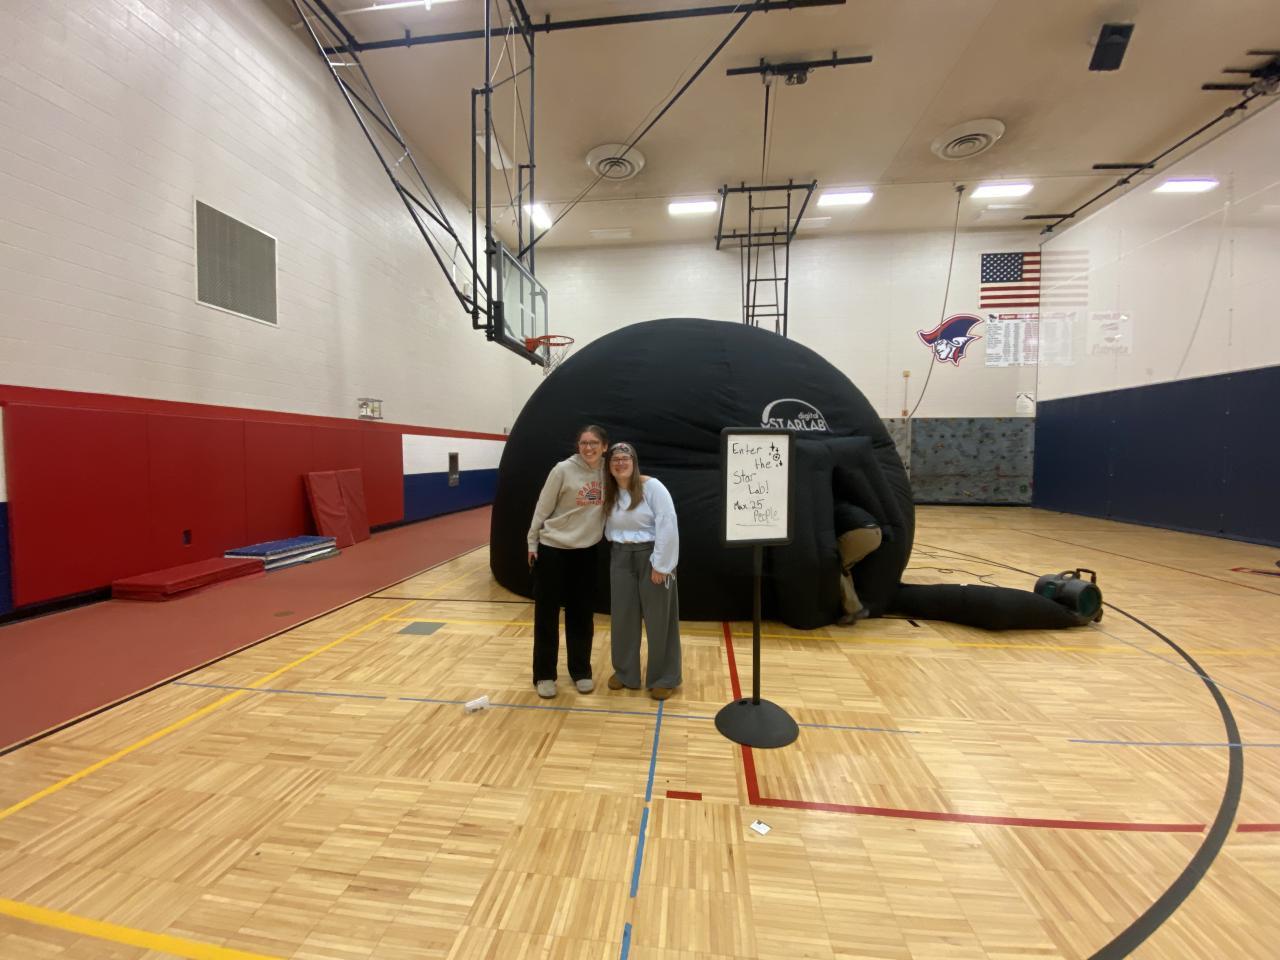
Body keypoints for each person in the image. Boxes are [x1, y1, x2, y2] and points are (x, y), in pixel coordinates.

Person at [527, 425, 608, 698]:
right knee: (546, 615)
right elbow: (542, 508)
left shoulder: (608, 471)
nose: (588, 447)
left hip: (587, 552)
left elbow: (631, 479)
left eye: (594, 443)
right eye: (584, 443)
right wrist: (532, 542)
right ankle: (544, 675)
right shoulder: (562, 470)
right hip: (553, 549)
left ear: (604, 446)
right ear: (578, 446)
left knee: (582, 615)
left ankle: (581, 671)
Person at [602, 442, 681, 700]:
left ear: (634, 462)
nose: (620, 463)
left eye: (625, 458)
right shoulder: (609, 491)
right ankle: (625, 672)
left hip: (651, 556)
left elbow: (667, 523)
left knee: (659, 619)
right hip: (620, 556)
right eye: (615, 459)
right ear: (609, 466)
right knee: (623, 617)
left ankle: (664, 677)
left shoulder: (653, 487)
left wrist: (662, 565)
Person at [834, 501, 882, 624]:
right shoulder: (843, 504)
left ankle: (854, 609)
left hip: (859, 533)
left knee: (831, 566)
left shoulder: (825, 506)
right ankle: (848, 608)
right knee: (844, 568)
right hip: (876, 532)